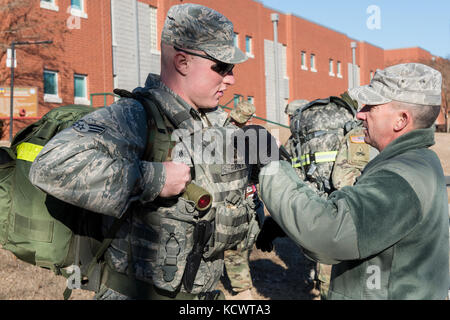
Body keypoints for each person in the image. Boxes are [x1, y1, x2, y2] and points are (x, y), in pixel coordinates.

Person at [29, 3, 253, 300]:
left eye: (232, 69)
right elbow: (51, 166)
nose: (231, 78)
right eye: (221, 67)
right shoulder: (135, 116)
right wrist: (155, 178)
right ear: (183, 62)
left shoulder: (211, 124)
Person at [258, 63, 449, 299]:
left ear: (401, 120)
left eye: (371, 106)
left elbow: (327, 234)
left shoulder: (399, 178)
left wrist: (270, 163)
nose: (360, 114)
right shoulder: (417, 161)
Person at [222, 100, 261, 299]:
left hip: (228, 197)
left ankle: (242, 287)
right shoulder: (249, 137)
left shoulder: (218, 133)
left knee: (233, 244)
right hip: (243, 196)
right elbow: (256, 169)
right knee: (240, 242)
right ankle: (243, 290)